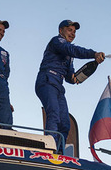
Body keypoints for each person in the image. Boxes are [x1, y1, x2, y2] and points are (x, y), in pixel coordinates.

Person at [35, 20, 105, 152]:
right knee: (54, 114)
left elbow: (71, 78)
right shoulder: (57, 41)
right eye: (69, 30)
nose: (72, 33)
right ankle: (50, 149)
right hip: (47, 80)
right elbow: (72, 49)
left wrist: (91, 66)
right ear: (61, 30)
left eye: (74, 31)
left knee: (65, 123)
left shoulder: (69, 56)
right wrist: (93, 53)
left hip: (58, 86)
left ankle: (60, 152)